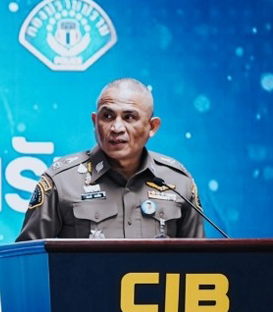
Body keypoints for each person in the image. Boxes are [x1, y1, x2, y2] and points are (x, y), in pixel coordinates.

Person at [17, 78, 205, 240]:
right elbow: (27, 260)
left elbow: (200, 262)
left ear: (152, 127)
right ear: (95, 121)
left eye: (129, 117)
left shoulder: (178, 182)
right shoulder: (61, 181)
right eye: (107, 116)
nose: (116, 128)